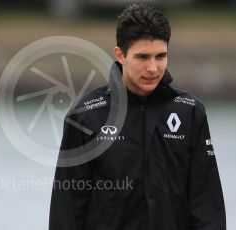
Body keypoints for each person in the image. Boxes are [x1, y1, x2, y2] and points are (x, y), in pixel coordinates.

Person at [49, 3, 226, 230]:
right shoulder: (85, 116)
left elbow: (207, 205)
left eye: (160, 56)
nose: (153, 68)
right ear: (120, 54)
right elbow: (66, 211)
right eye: (143, 57)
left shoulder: (190, 112)